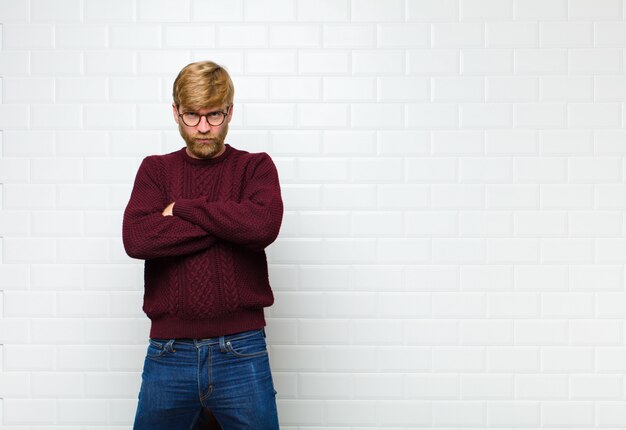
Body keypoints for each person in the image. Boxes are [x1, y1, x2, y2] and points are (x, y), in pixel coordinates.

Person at [123, 61, 283, 429]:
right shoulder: (155, 170)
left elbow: (262, 226)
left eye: (214, 115)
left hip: (241, 350)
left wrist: (181, 208)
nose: (203, 127)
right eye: (192, 116)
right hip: (169, 352)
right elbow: (137, 238)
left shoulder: (254, 168)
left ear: (230, 112)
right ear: (175, 113)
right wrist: (231, 220)